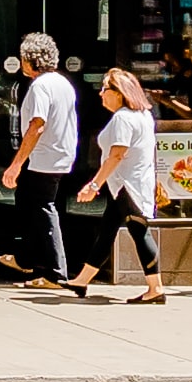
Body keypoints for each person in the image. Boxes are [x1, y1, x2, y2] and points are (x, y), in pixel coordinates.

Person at [70, 64, 166, 302]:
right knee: (107, 231)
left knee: (139, 232)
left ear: (119, 92)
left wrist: (93, 185)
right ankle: (81, 281)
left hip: (126, 185)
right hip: (128, 184)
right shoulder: (143, 115)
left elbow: (116, 155)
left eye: (105, 89)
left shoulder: (123, 118)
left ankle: (156, 288)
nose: (101, 93)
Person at [0, 26, 80, 288]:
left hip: (44, 157)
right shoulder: (63, 83)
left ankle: (56, 272)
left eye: (23, 58)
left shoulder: (40, 86)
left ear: (31, 60)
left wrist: (16, 164)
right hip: (59, 154)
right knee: (30, 204)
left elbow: (37, 125)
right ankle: (27, 258)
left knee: (43, 208)